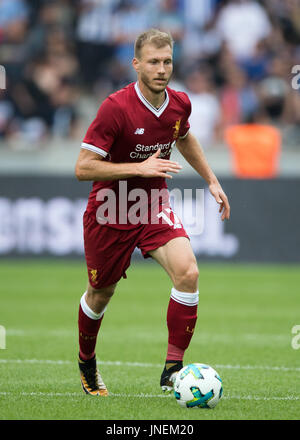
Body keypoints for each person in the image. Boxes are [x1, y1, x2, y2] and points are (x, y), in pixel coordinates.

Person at [75, 28, 230, 396]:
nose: (162, 69)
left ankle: (172, 369)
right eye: (153, 62)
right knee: (100, 294)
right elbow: (83, 167)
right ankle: (87, 362)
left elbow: (184, 135)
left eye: (167, 61)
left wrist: (210, 179)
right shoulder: (115, 107)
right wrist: (139, 167)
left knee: (188, 272)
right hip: (110, 209)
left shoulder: (179, 103)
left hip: (151, 205)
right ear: (136, 64)